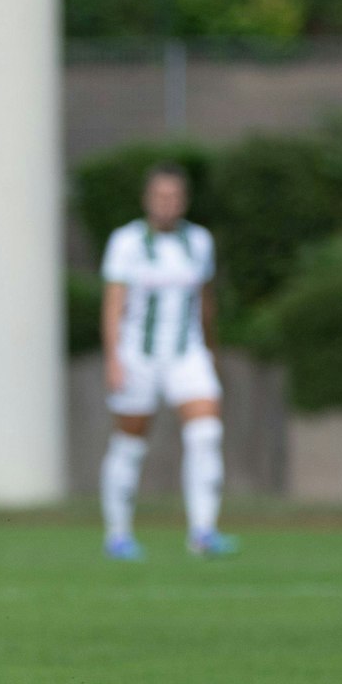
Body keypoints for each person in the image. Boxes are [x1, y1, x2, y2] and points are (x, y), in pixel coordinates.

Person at [97, 163, 237, 560]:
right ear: (147, 200)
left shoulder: (199, 242)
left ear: (184, 201)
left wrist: (211, 351)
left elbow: (205, 303)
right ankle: (118, 534)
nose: (167, 204)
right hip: (138, 355)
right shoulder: (126, 242)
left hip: (186, 354)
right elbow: (113, 305)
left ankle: (203, 532)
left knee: (206, 433)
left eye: (174, 196)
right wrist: (113, 359)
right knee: (130, 442)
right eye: (160, 196)